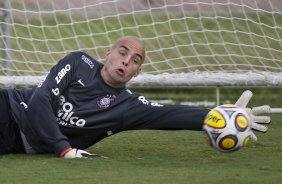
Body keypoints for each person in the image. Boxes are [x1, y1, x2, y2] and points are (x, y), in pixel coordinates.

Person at [0, 36, 271, 158]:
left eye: (134, 60)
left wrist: (220, 116)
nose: (125, 61)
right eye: (122, 51)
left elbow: (168, 114)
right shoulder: (77, 62)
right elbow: (39, 101)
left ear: (137, 72)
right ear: (108, 52)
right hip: (9, 110)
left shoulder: (126, 106)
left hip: (16, 143)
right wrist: (65, 149)